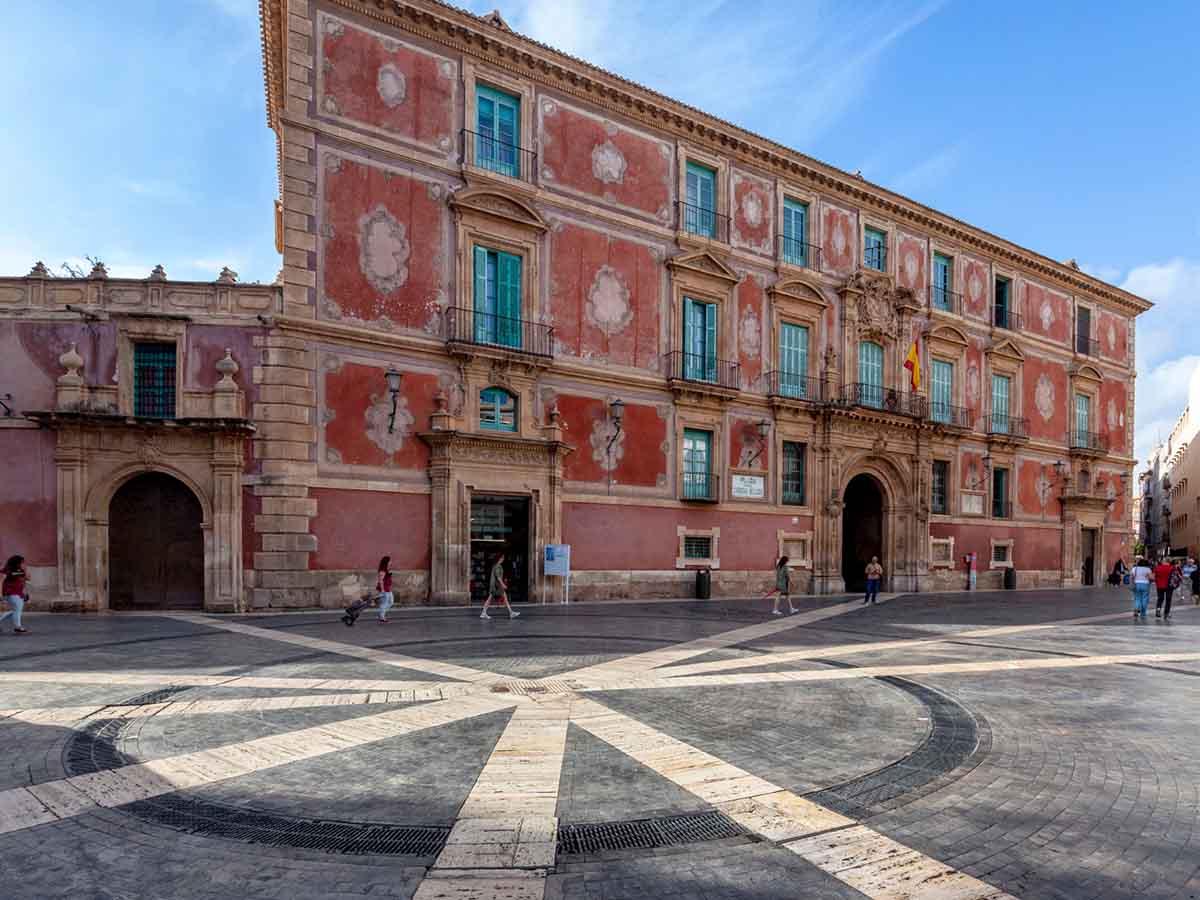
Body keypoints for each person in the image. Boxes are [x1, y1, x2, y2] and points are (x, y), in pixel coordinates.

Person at [480, 552, 519, 620]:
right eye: (502, 557)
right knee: (492, 599)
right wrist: (503, 585)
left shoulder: (495, 565)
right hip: (497, 586)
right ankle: (511, 613)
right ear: (500, 558)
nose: (503, 559)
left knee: (496, 598)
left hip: (495, 585)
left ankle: (511, 612)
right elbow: (498, 577)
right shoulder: (498, 566)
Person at [1, 555, 30, 635]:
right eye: (22, 562)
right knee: (17, 609)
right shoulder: (8, 570)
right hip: (11, 592)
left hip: (18, 593)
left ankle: (18, 627)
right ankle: (18, 627)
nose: (24, 564)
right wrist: (0, 594)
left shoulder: (20, 570)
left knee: (16, 610)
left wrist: (25, 593)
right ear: (17, 563)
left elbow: (27, 579)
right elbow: (1, 580)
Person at [1130, 557, 1153, 621]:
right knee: (1145, 598)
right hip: (1145, 585)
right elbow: (1151, 578)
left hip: (1136, 584)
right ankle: (1143, 613)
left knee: (1137, 598)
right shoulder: (1148, 569)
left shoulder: (1135, 568)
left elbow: (1131, 576)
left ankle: (1136, 609)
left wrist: (1132, 582)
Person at [375, 556, 394, 624]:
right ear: (386, 562)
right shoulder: (382, 570)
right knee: (384, 603)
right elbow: (381, 581)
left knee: (391, 602)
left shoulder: (387, 569)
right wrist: (382, 590)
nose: (391, 562)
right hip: (384, 589)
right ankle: (382, 617)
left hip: (388, 589)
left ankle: (381, 614)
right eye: (389, 561)